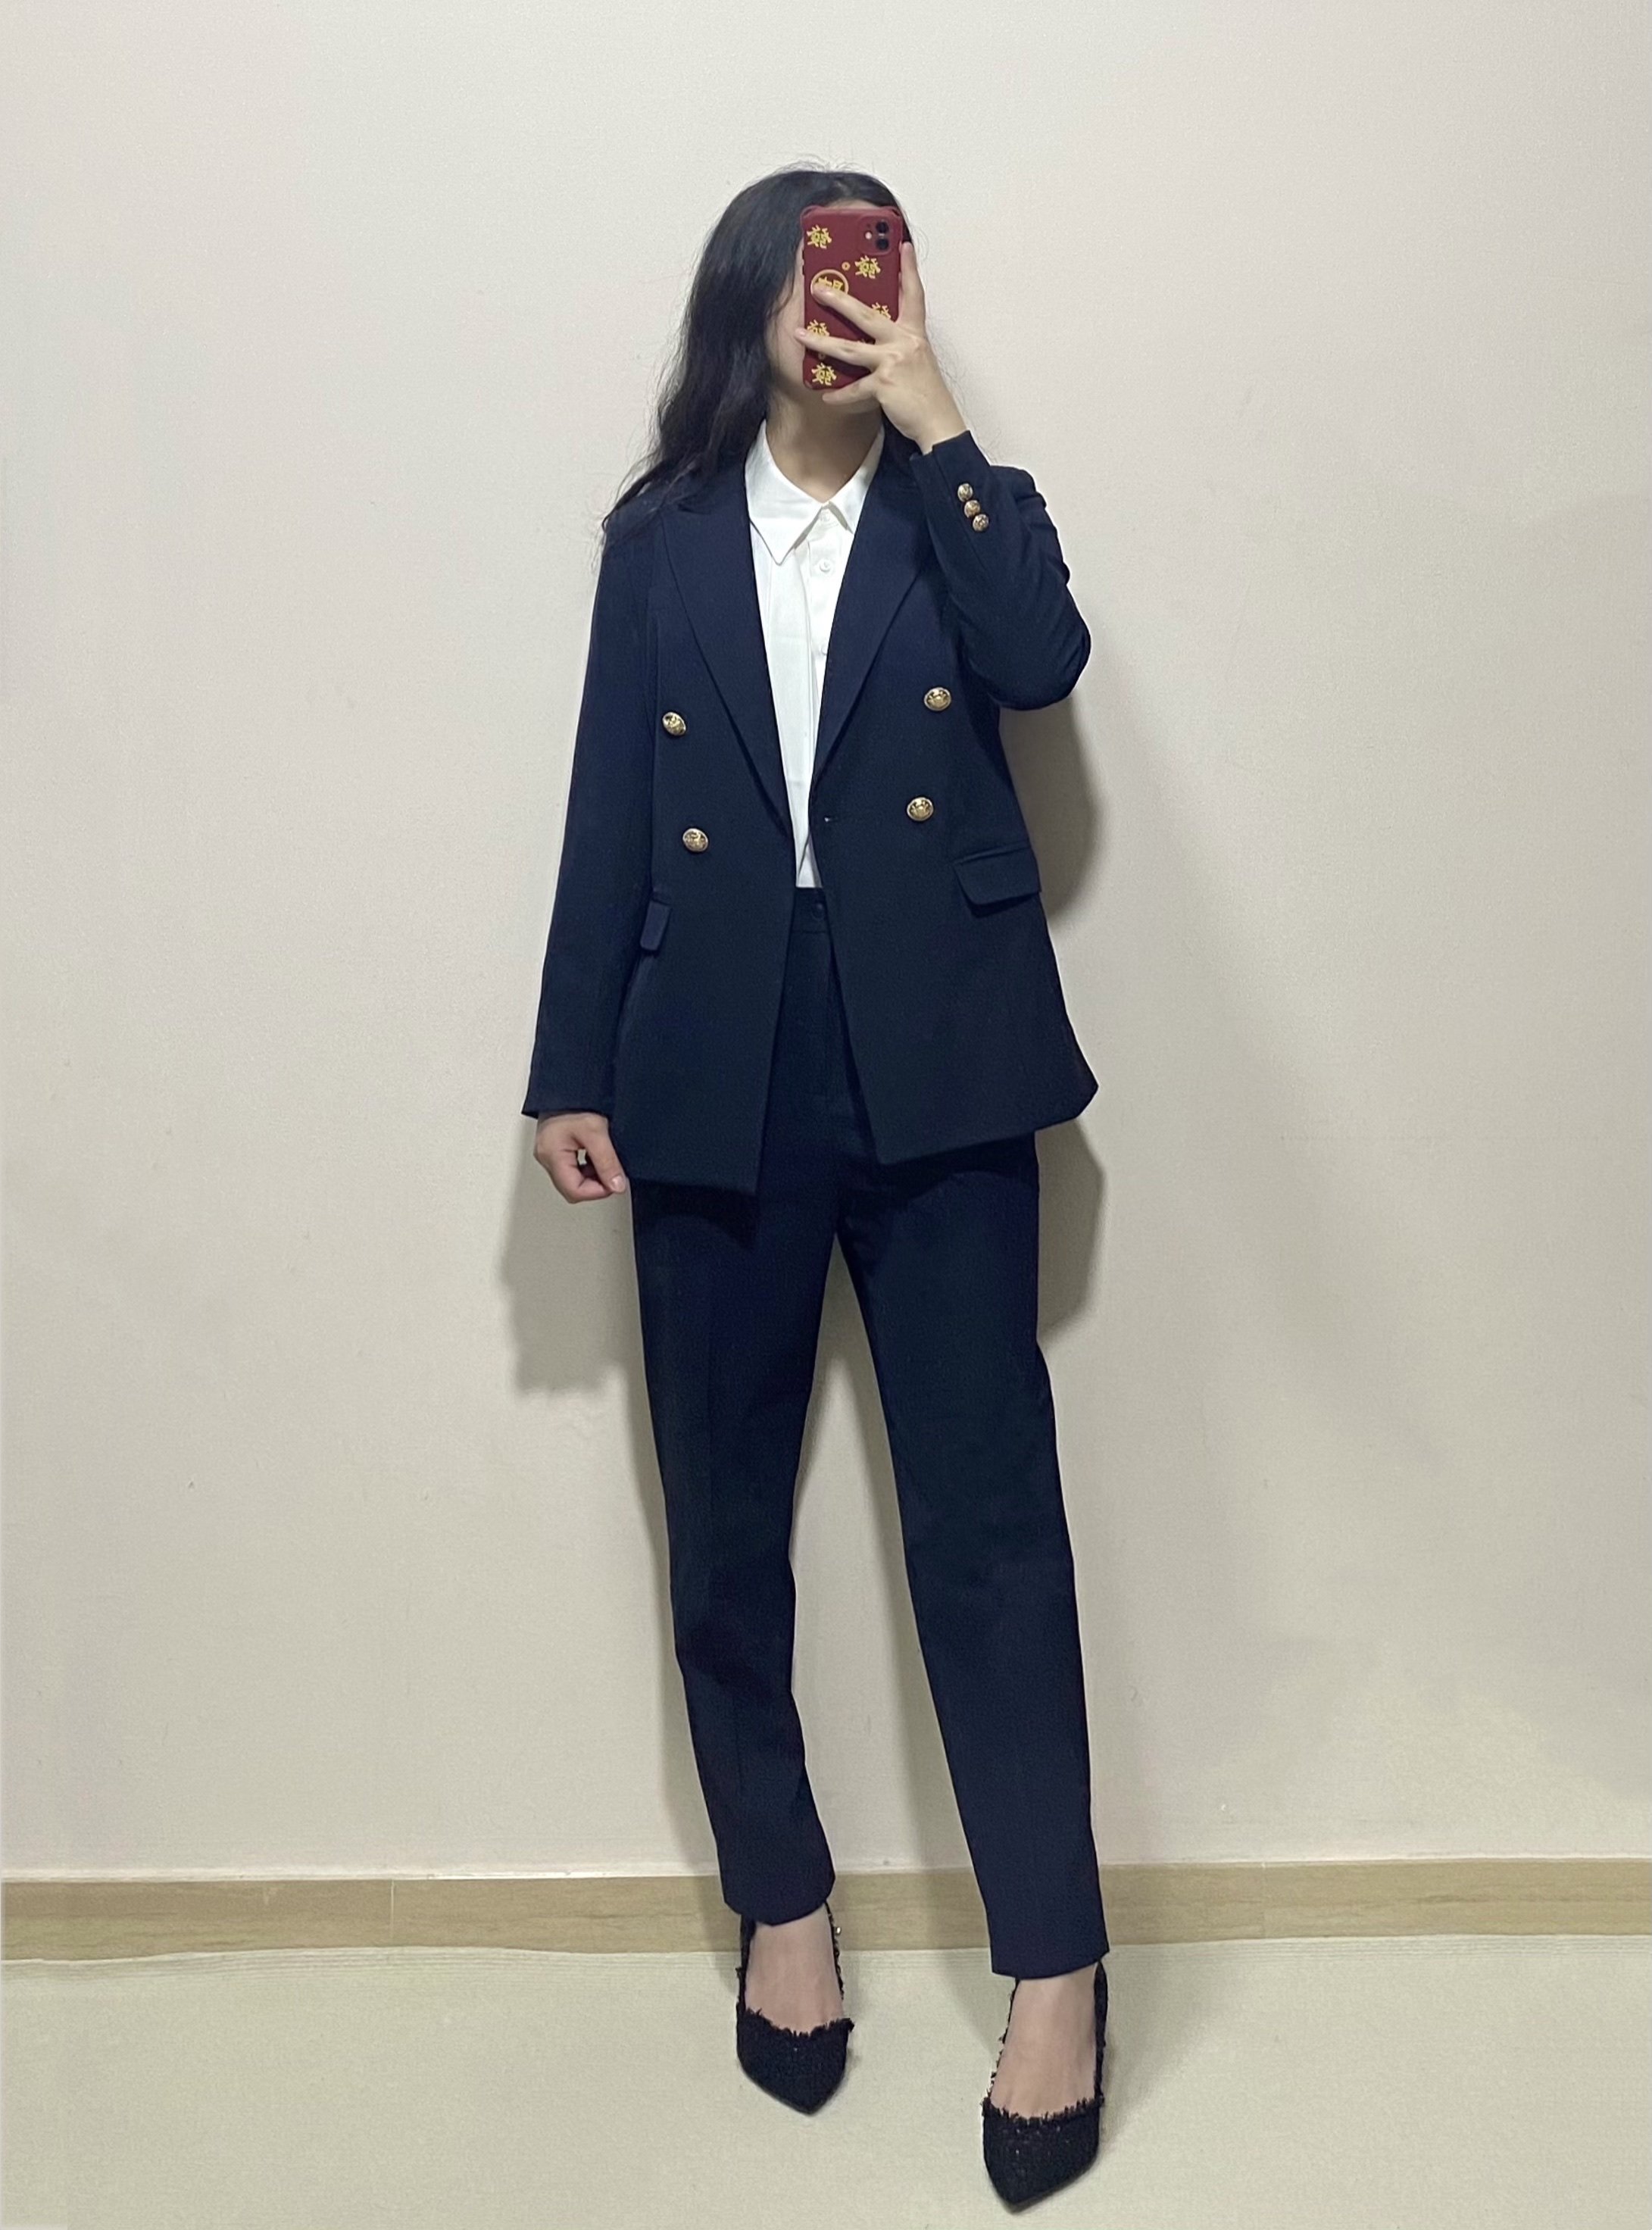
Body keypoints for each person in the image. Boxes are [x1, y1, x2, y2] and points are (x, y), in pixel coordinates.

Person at [522, 166, 1109, 2206]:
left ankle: (1057, 1966)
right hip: (711, 1063)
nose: (845, 292)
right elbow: (609, 806)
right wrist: (568, 1064)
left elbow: (1043, 663)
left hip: (939, 1054)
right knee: (722, 1526)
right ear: (748, 297)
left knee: (991, 1530)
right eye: (812, 260)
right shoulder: (661, 541)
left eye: (881, 257)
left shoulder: (959, 508)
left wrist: (941, 417)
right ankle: (782, 1902)